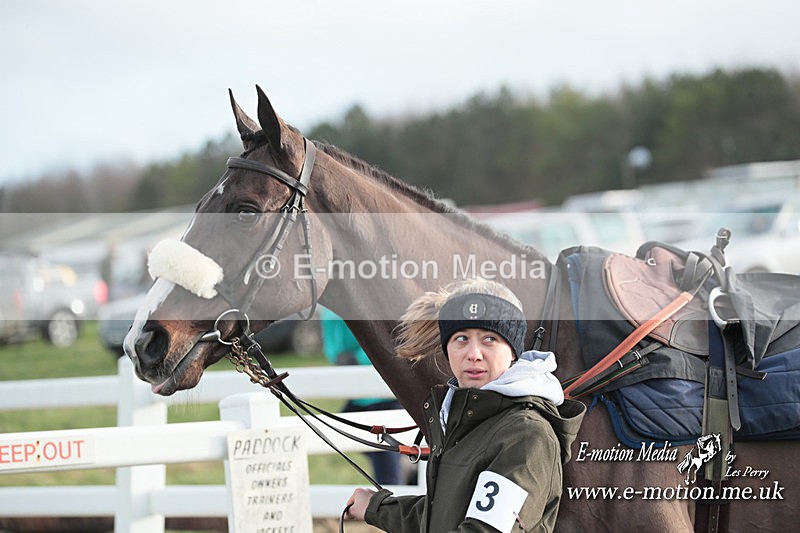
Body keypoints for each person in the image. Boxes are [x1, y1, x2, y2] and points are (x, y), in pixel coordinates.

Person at [344, 279, 586, 532]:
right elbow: (443, 517)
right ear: (447, 349)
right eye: (461, 338)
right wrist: (376, 506)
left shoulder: (526, 435)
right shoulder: (465, 419)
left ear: (513, 351)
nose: (474, 353)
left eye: (490, 339)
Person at [320, 307, 405, 486]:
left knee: (386, 468)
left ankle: (393, 501)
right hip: (358, 395)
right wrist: (336, 356)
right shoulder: (328, 308)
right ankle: (405, 458)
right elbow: (330, 340)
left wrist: (359, 358)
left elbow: (389, 339)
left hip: (384, 396)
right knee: (337, 433)